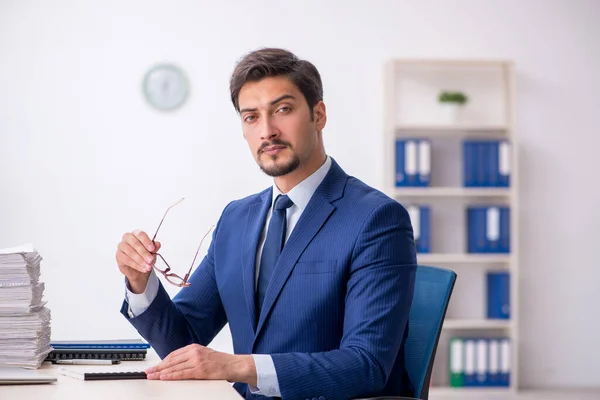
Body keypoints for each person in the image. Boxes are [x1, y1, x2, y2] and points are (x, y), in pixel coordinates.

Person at [116, 47, 417, 400]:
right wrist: (140, 282)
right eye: (251, 117)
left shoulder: (376, 219)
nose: (267, 131)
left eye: (283, 110)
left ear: (318, 115)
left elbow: (367, 365)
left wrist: (239, 366)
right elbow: (182, 343)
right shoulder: (236, 219)